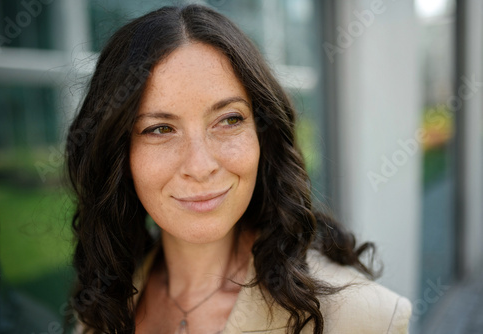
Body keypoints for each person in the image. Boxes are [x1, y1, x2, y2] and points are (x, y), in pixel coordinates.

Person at [66, 4, 411, 334]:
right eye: (160, 128)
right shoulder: (102, 305)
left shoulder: (363, 317)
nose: (200, 166)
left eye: (229, 120)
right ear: (118, 153)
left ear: (263, 134)